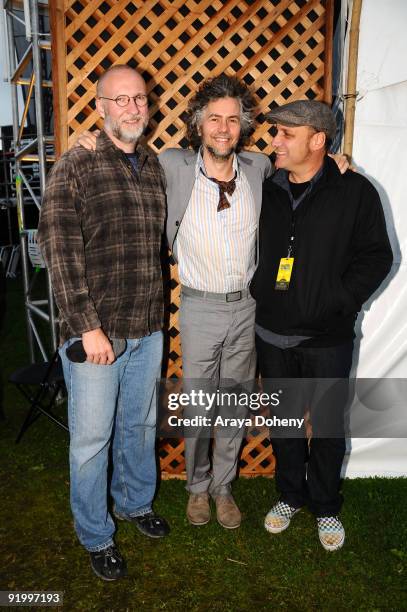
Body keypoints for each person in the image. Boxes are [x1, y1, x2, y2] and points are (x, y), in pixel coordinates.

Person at [37, 65, 169, 581]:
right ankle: (96, 534)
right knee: (91, 442)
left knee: (137, 429)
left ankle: (136, 503)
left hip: (148, 328)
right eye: (120, 100)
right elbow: (59, 249)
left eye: (139, 99)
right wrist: (87, 327)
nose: (132, 108)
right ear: (101, 108)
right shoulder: (77, 164)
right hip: (97, 333)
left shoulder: (154, 166)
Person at [250, 100, 393, 551]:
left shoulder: (356, 191)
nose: (276, 141)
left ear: (317, 141)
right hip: (271, 334)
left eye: (286, 134)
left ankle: (327, 505)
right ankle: (291, 495)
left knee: (328, 424)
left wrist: (338, 300)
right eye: (276, 133)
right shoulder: (267, 185)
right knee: (286, 422)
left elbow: (378, 257)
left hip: (328, 337)